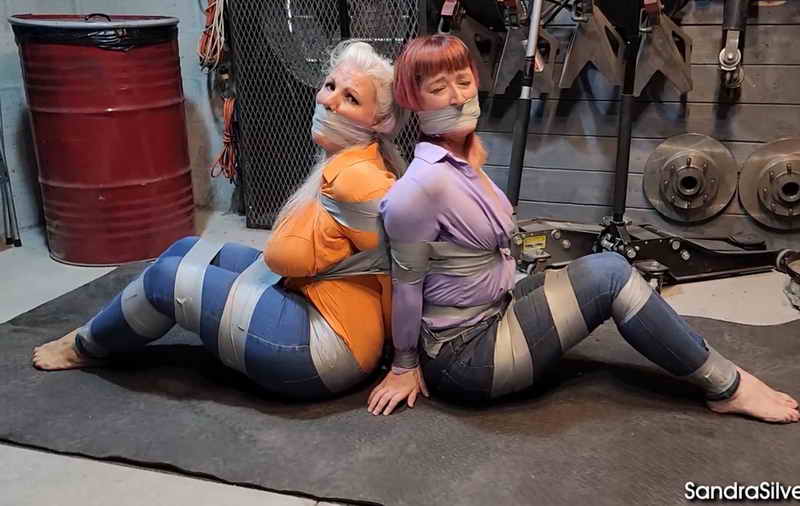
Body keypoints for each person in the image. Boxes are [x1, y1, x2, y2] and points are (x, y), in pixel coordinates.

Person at [367, 34, 799, 423]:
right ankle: (728, 387)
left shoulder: (462, 164)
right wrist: (404, 365)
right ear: (415, 102)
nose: (457, 97)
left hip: (492, 310)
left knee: (594, 267)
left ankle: (712, 368)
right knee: (609, 275)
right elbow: (406, 286)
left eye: (463, 82)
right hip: (465, 358)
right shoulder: (420, 187)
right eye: (438, 89)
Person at [32, 40, 405, 400]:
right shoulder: (349, 161)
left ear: (379, 123)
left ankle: (85, 347)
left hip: (325, 349)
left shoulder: (360, 179)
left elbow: (403, 268)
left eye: (351, 99)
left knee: (167, 279)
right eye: (330, 86)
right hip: (310, 299)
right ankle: (102, 330)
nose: (328, 101)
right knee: (186, 249)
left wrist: (405, 362)